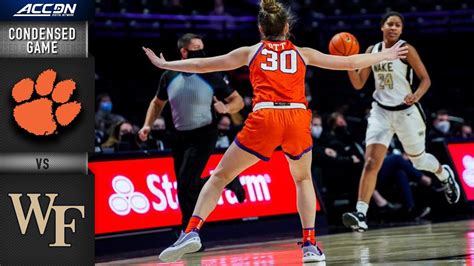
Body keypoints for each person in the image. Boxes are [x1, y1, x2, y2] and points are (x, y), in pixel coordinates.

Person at [143, 0, 408, 262]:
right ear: (287, 26)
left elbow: (204, 65)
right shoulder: (303, 53)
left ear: (260, 28)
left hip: (265, 117)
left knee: (220, 176)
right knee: (303, 180)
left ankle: (191, 231)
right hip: (295, 117)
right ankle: (310, 245)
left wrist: (166, 65)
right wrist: (386, 54)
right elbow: (351, 63)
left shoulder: (251, 51)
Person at [342, 11, 461, 232]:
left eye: (398, 25)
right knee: (370, 163)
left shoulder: (407, 50)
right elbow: (359, 84)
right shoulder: (372, 51)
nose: (394, 28)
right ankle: (360, 213)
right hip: (380, 112)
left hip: (407, 112)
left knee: (418, 161)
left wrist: (416, 95)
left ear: (401, 30)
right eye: (390, 24)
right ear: (382, 27)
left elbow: (425, 79)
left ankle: (444, 174)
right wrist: (350, 63)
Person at [139, 33, 246, 235]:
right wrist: (147, 125)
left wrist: (225, 108)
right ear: (184, 51)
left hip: (205, 133)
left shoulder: (210, 73)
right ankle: (225, 182)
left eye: (202, 47)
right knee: (183, 185)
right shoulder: (169, 75)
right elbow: (157, 102)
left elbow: (238, 101)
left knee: (186, 183)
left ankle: (188, 232)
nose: (201, 51)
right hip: (179, 135)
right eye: (196, 48)